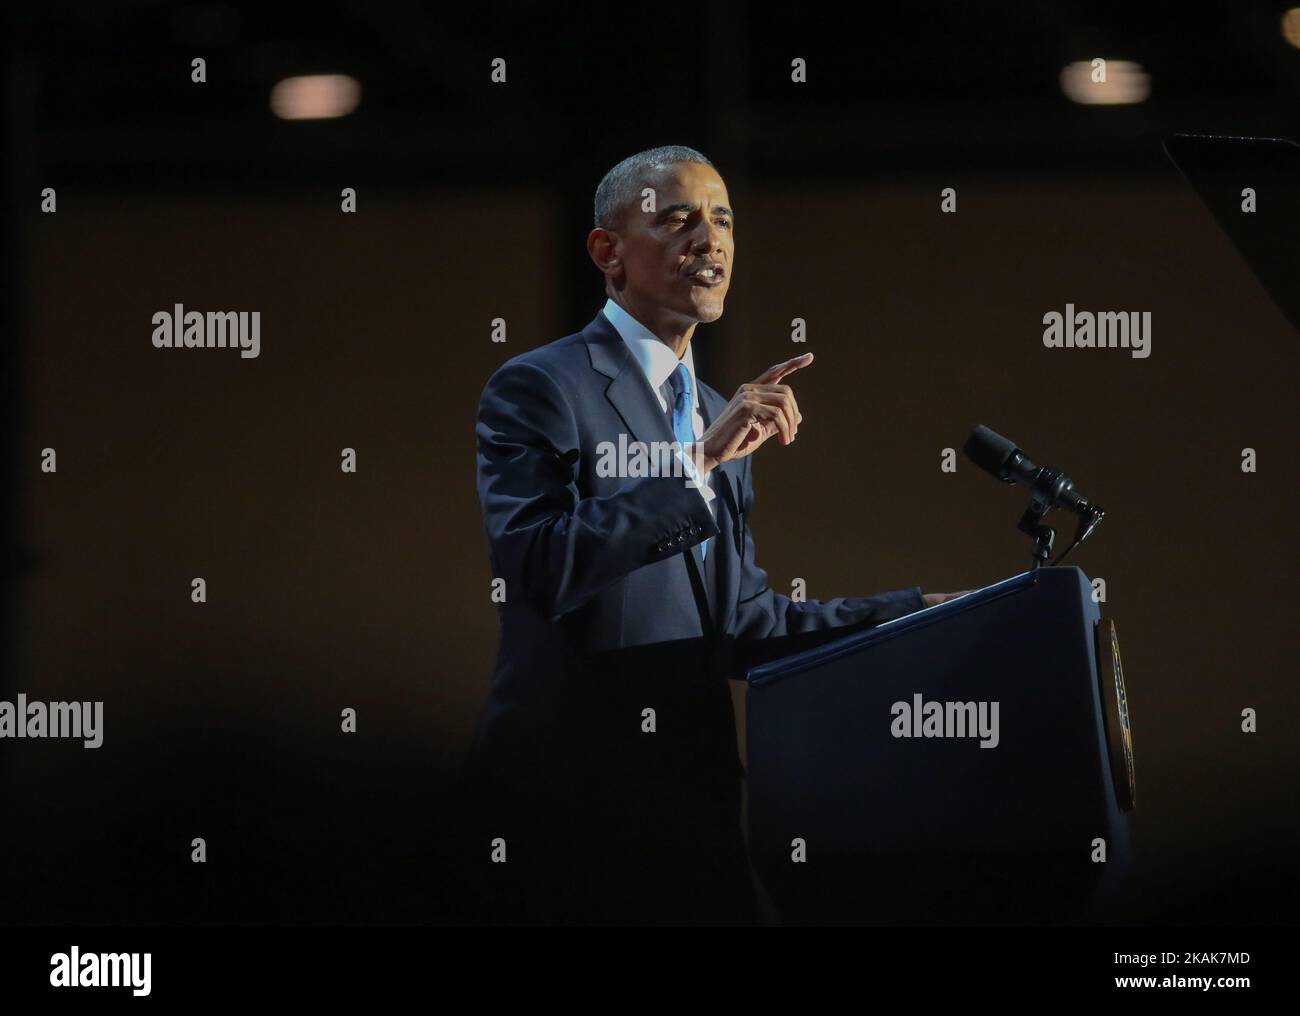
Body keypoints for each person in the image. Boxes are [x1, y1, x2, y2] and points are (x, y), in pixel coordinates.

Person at [458, 145, 967, 925]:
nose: (711, 239)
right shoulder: (542, 387)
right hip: (570, 810)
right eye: (678, 219)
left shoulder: (717, 412)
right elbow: (539, 567)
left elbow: (740, 629)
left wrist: (910, 617)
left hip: (694, 815)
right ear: (608, 252)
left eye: (723, 219)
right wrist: (699, 463)